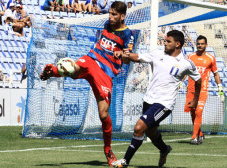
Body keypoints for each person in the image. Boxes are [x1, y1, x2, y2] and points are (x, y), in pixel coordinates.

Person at [40, 1, 133, 166]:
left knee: (104, 115)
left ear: (122, 16)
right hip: (91, 59)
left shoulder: (127, 34)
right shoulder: (106, 24)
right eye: (110, 14)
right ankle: (52, 72)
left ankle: (108, 149)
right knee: (73, 68)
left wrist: (121, 53)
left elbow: (127, 58)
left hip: (105, 72)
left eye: (114, 15)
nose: (110, 17)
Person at [112, 30, 202, 168]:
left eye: (168, 41)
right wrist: (124, 54)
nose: (164, 43)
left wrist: (195, 99)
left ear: (177, 44)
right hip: (149, 99)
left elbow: (198, 80)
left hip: (164, 104)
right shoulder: (157, 54)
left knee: (139, 128)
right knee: (150, 131)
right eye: (165, 41)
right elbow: (137, 57)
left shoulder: (186, 63)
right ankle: (164, 149)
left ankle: (125, 161)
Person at [184, 35, 224, 145]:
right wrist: (179, 83)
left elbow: (216, 74)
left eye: (202, 44)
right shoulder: (190, 56)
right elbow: (184, 71)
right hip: (191, 90)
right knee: (192, 113)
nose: (200, 45)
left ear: (206, 45)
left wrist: (220, 88)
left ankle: (194, 138)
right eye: (198, 44)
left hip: (202, 90)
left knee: (199, 111)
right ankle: (200, 133)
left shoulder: (211, 58)